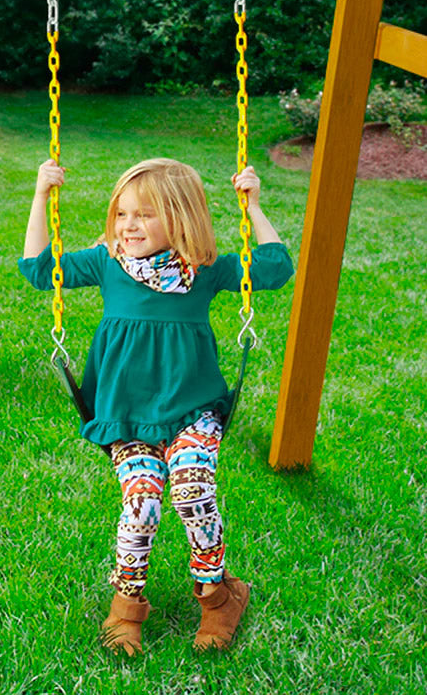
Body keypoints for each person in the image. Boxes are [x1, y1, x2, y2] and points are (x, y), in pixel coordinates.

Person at [19, 157, 293, 654]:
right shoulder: (107, 263)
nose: (128, 225)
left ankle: (218, 597)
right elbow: (38, 270)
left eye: (144, 215)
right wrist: (41, 195)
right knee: (142, 502)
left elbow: (276, 268)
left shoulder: (204, 270)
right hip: (127, 418)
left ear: (182, 217)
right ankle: (126, 605)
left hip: (195, 410)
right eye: (122, 214)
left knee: (191, 486)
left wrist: (253, 207)